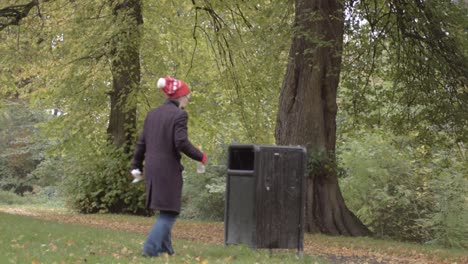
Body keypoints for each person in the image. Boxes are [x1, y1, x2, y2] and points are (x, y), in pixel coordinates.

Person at [131, 76, 207, 257]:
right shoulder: (179, 115)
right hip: (167, 170)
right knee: (170, 211)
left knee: (166, 208)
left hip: (151, 169)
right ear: (180, 96)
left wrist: (136, 165)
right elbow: (181, 142)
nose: (187, 100)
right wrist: (201, 156)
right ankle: (150, 248)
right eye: (187, 96)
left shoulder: (152, 114)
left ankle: (166, 248)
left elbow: (141, 143)